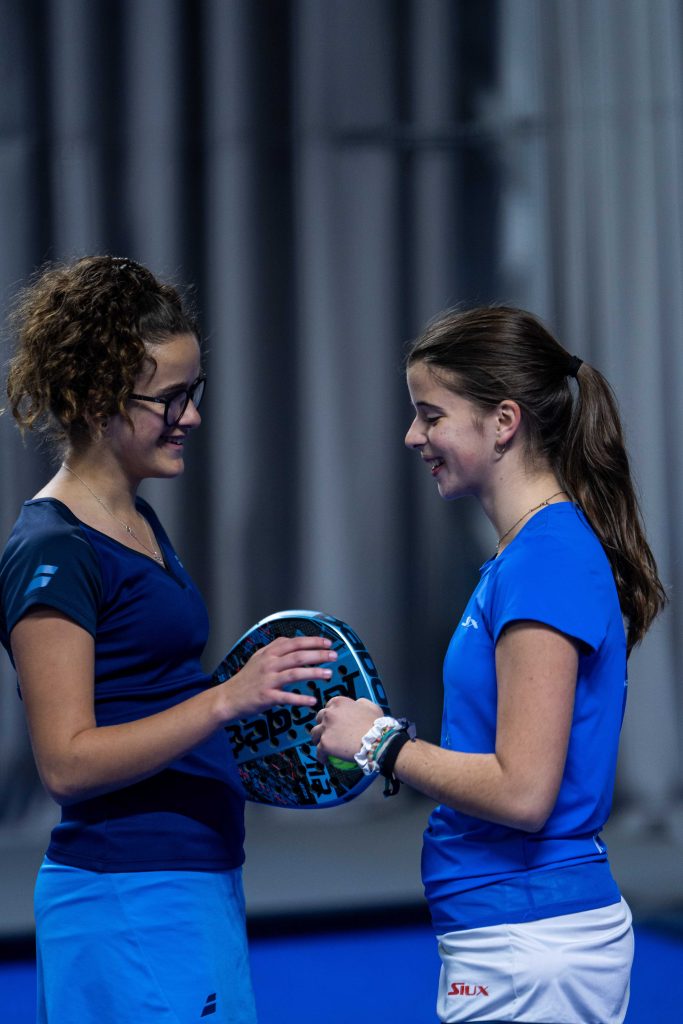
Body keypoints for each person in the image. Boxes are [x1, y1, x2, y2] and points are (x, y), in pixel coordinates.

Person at [0, 255, 336, 1024]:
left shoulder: (136, 518)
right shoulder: (53, 549)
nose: (191, 417)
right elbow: (67, 762)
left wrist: (256, 722)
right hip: (127, 900)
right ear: (96, 400)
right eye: (170, 399)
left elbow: (149, 695)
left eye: (195, 391)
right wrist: (223, 701)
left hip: (188, 884)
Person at [312, 305, 667, 1024]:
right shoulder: (527, 556)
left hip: (529, 945)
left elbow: (523, 792)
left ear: (503, 422)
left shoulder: (546, 560)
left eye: (431, 415)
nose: (413, 436)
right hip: (512, 940)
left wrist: (378, 741)